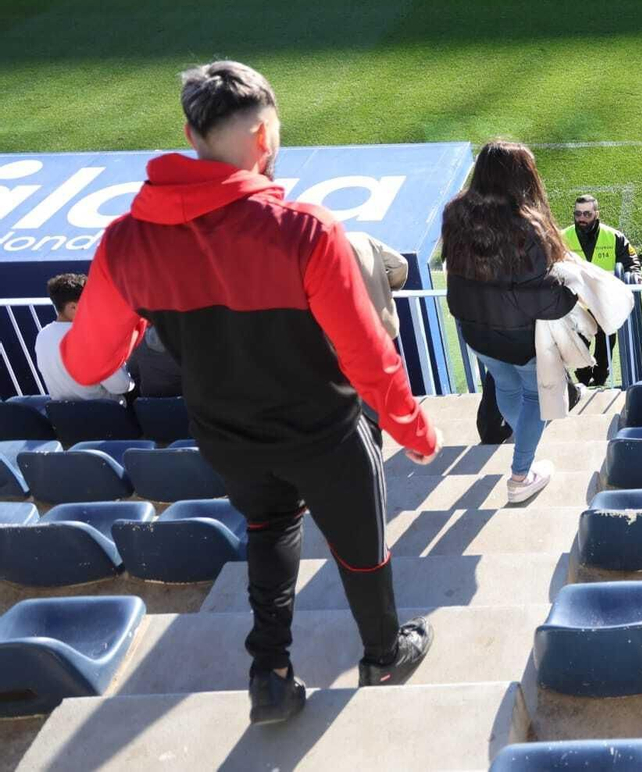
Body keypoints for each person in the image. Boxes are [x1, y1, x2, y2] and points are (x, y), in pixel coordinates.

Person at [59, 61, 440, 725]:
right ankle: (383, 655)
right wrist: (414, 430)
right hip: (323, 435)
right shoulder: (304, 229)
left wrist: (144, 311)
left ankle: (270, 674)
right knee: (361, 548)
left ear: (190, 134)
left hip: (227, 437)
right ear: (265, 136)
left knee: (269, 529)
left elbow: (86, 361)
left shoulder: (127, 240)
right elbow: (367, 355)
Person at [444, 140, 578, 504]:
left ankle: (525, 443)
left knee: (505, 385)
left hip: (473, 327)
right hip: (518, 335)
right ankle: (520, 475)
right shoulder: (527, 225)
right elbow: (540, 297)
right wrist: (571, 294)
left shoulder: (455, 212)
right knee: (535, 395)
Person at [561, 194, 641, 388]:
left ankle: (600, 378)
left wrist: (634, 278)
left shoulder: (613, 237)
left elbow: (632, 263)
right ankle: (582, 379)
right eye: (578, 214)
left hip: (605, 303)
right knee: (579, 344)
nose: (582, 218)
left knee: (606, 344)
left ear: (596, 214)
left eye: (587, 214)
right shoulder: (562, 237)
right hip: (576, 304)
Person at [347, 230, 409, 444]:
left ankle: (369, 439)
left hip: (352, 336)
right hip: (383, 327)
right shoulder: (361, 238)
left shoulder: (315, 248)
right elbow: (400, 264)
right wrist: (386, 287)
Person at [35, 273, 132, 401]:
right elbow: (121, 386)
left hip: (62, 412)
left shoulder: (43, 335)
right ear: (72, 307)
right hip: (104, 411)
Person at [128, 325, 183, 398]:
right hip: (181, 402)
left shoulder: (140, 341)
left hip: (148, 402)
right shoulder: (185, 347)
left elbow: (132, 371)